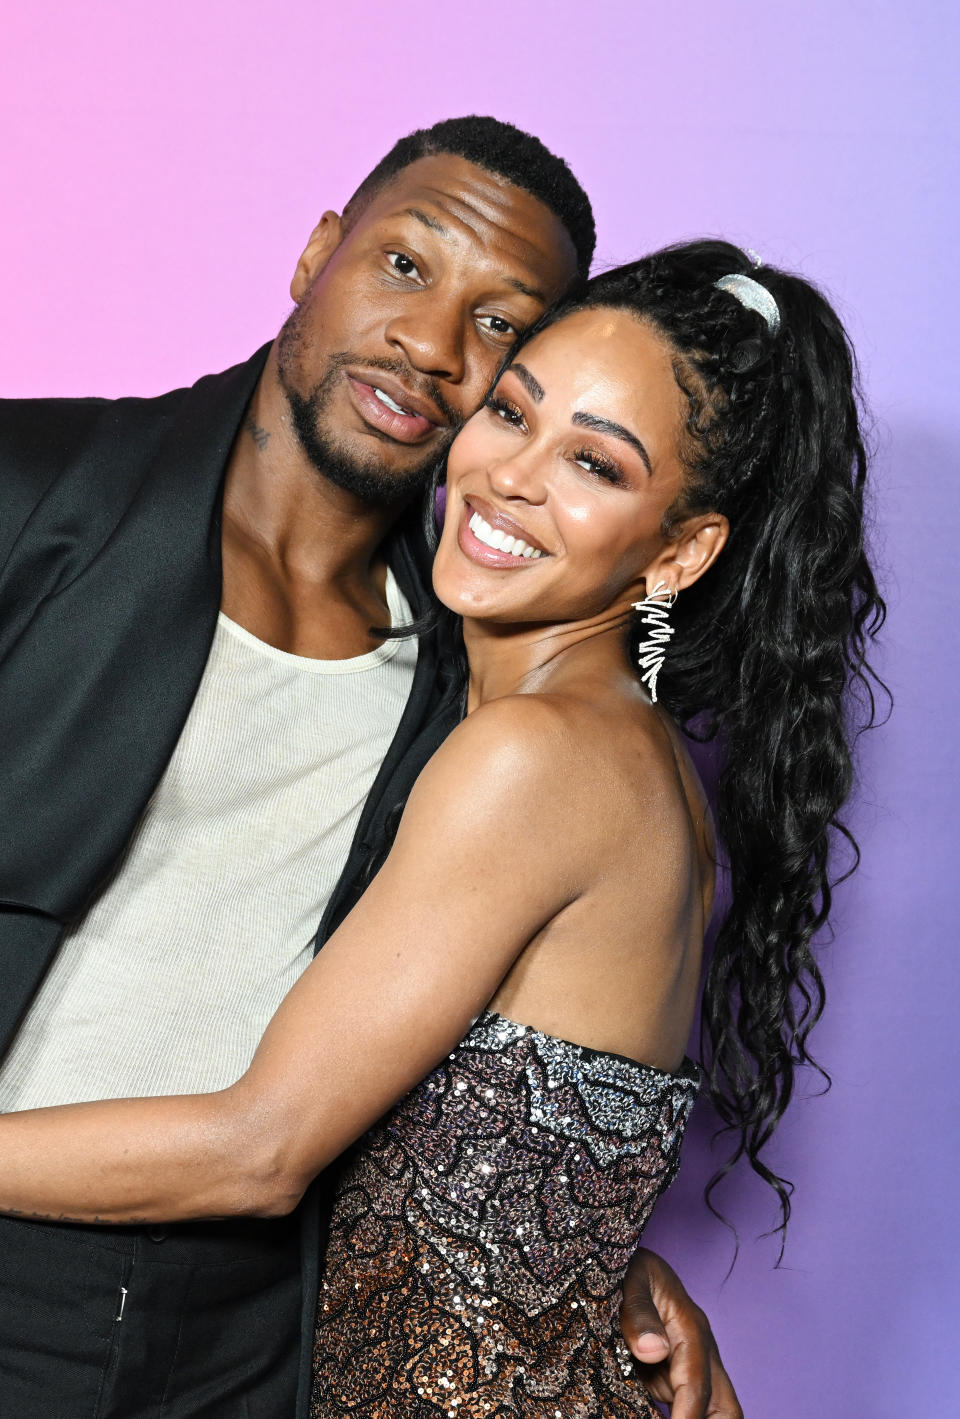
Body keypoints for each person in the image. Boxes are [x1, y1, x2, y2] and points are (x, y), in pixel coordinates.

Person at [0, 240, 884, 1414]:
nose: (512, 476)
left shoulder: (536, 758)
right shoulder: (604, 748)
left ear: (681, 550)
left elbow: (262, 1149)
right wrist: (604, 1267)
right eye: (512, 412)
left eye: (593, 463)